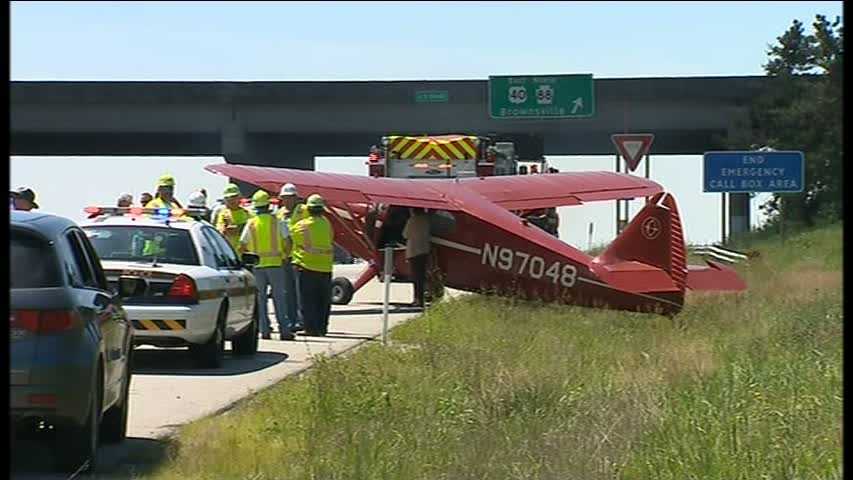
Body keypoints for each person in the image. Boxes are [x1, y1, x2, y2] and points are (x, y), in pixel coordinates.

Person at [240, 190, 294, 341]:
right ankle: (284, 330)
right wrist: (285, 256)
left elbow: (242, 245)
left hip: (258, 267)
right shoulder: (278, 221)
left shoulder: (251, 223)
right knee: (279, 299)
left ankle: (264, 330)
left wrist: (249, 258)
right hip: (276, 264)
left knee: (261, 300)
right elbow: (289, 241)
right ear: (269, 205)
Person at [291, 194, 334, 336]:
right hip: (326, 267)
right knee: (323, 301)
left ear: (308, 209)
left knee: (307, 301)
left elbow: (291, 234)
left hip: (307, 267)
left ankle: (310, 329)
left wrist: (298, 214)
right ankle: (322, 328)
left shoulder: (302, 225)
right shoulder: (326, 223)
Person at [275, 183, 308, 332]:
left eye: (290, 198)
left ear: (296, 198)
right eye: (285, 198)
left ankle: (302, 320)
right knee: (287, 291)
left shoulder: (304, 211)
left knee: (301, 291)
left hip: (300, 257)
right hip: (285, 257)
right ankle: (291, 320)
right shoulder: (279, 213)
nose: (287, 201)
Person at [402, 207, 432, 308]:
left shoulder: (413, 220)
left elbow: (405, 234)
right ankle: (423, 297)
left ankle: (417, 299)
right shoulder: (426, 220)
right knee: (422, 276)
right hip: (424, 250)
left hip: (414, 251)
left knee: (416, 277)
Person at [215, 184, 253, 252]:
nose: (230, 200)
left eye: (233, 197)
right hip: (230, 253)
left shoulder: (247, 213)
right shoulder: (224, 214)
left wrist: (239, 228)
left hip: (244, 253)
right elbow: (220, 232)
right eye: (227, 198)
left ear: (239, 197)